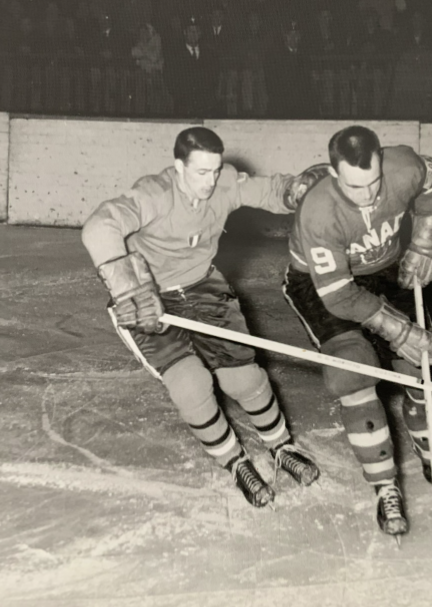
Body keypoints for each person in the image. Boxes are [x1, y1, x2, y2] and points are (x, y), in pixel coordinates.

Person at [81, 127, 326, 507]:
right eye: (200, 172)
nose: (210, 182)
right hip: (151, 298)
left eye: (215, 170)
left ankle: (282, 447)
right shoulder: (155, 194)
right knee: (191, 384)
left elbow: (267, 190)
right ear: (179, 167)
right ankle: (235, 461)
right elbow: (100, 226)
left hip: (203, 287)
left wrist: (294, 190)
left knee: (244, 378)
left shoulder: (223, 182)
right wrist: (131, 290)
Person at [282, 125, 432, 539]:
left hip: (384, 269)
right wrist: (400, 332)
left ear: (382, 161)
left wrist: (426, 241)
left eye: (374, 181)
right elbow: (340, 296)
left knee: (431, 366)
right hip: (324, 286)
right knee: (352, 371)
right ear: (333, 172)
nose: (367, 195)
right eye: (354, 186)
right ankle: (385, 487)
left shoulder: (404, 166)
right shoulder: (318, 211)